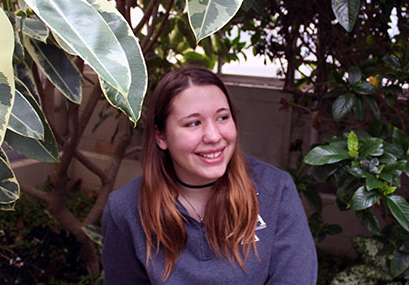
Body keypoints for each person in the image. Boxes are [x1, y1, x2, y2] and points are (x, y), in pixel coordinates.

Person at [101, 66, 317, 284]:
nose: (214, 136)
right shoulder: (126, 210)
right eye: (193, 123)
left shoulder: (275, 190)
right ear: (161, 136)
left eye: (222, 117)